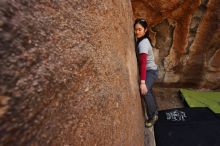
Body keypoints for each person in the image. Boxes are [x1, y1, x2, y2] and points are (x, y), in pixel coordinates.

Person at [134, 18, 159, 128]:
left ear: (145, 30)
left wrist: (143, 82)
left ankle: (153, 115)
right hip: (150, 70)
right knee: (149, 89)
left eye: (140, 29)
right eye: (135, 29)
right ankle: (155, 108)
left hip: (150, 71)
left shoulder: (143, 43)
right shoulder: (142, 40)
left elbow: (143, 63)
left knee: (145, 90)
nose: (137, 32)